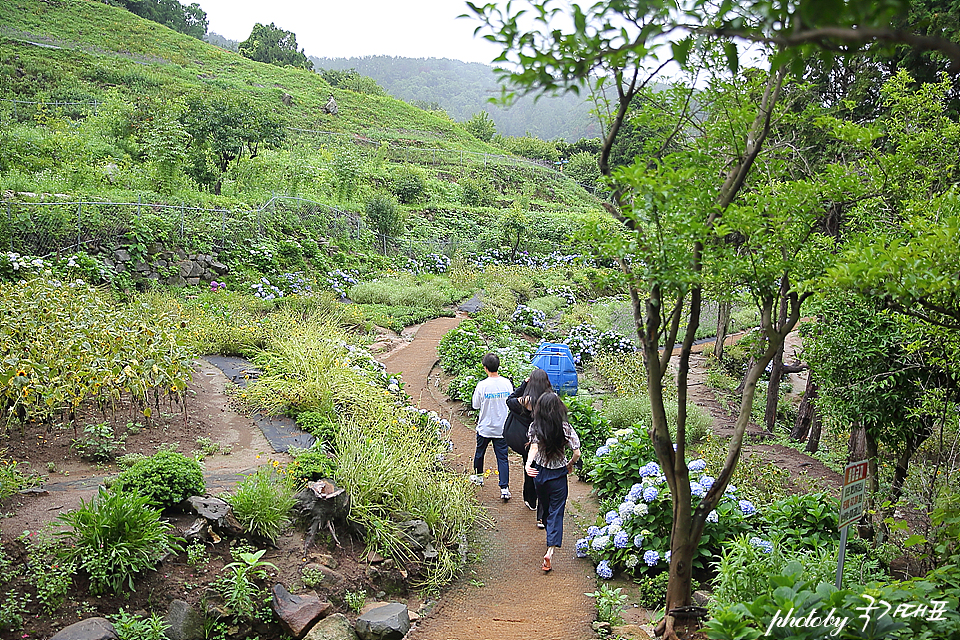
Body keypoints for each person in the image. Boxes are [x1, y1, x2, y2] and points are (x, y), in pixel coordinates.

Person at [525, 392, 580, 572]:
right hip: (558, 475)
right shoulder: (565, 428)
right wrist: (570, 464)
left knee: (546, 507)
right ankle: (550, 550)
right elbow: (577, 452)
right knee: (557, 511)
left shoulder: (535, 427)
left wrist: (527, 465)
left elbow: (533, 447)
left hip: (540, 474)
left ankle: (550, 538)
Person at [505, 368, 553, 526]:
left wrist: (523, 385)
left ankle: (530, 499)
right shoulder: (549, 400)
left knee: (530, 468)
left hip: (527, 441)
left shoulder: (525, 401)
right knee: (543, 472)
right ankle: (542, 514)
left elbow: (510, 400)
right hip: (545, 441)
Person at [471, 352, 514, 500]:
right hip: (502, 428)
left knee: (479, 453)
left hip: (485, 427)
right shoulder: (507, 383)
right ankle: (504, 488)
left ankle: (478, 477)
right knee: (502, 458)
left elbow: (475, 405)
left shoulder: (482, 385)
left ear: (485, 368)